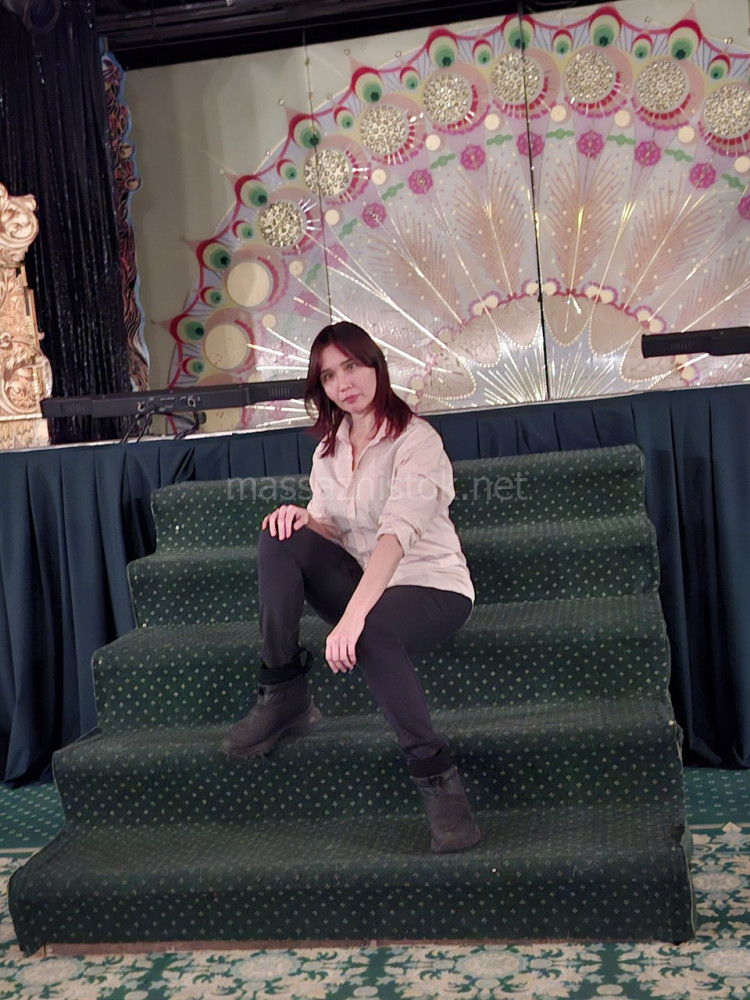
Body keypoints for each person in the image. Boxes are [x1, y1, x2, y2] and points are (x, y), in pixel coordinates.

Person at [221, 321, 480, 854]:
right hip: (368, 583)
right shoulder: (328, 450)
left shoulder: (417, 441)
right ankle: (283, 690)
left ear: (375, 365)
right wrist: (304, 520)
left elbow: (394, 538)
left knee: (372, 632)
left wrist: (354, 617)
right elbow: (336, 528)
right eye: (329, 375)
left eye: (352, 366)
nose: (344, 383)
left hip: (430, 585)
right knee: (279, 536)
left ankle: (438, 782)